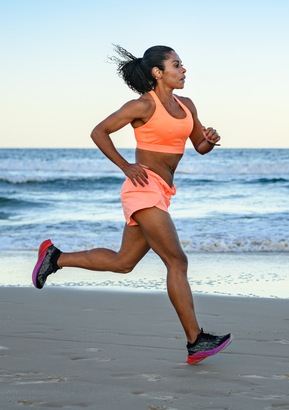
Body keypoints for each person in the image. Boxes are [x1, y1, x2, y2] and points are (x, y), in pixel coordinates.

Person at [32, 45, 231, 364]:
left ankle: (55, 258)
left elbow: (199, 147)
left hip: (163, 190)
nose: (183, 70)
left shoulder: (187, 105)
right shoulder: (141, 105)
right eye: (176, 65)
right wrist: (125, 166)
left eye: (182, 65)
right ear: (158, 72)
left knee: (123, 262)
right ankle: (196, 340)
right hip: (143, 187)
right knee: (177, 262)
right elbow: (99, 132)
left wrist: (209, 138)